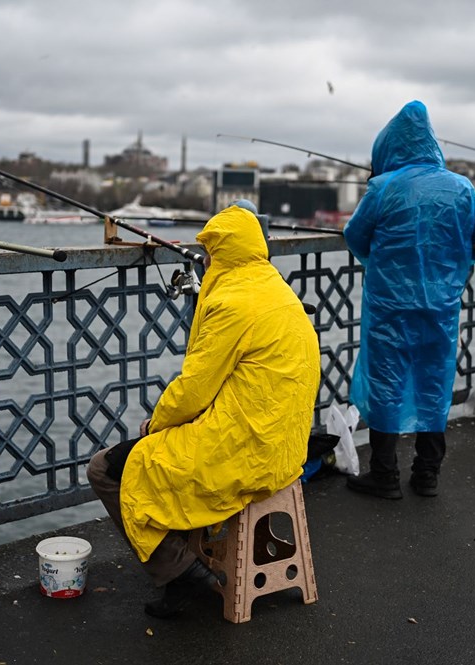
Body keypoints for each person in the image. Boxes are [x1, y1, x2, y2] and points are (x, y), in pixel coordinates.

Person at [87, 204, 321, 618]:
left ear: (222, 253)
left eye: (210, 251)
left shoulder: (232, 302)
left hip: (247, 452)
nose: (207, 260)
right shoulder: (278, 290)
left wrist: (154, 426)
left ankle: (181, 574)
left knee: (107, 468)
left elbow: (194, 389)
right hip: (286, 449)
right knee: (163, 453)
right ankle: (185, 569)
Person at [343, 100, 475, 499]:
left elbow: (355, 235)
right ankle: (427, 475)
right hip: (441, 307)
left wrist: (382, 260)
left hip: (390, 307)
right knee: (434, 384)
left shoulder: (382, 187)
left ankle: (385, 476)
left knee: (386, 385)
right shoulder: (461, 187)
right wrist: (458, 256)